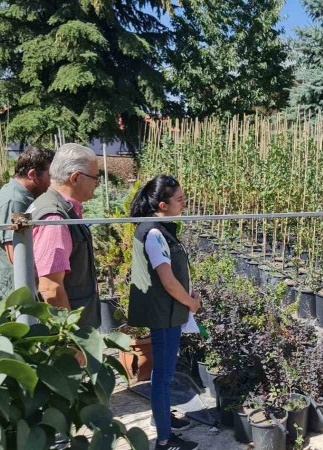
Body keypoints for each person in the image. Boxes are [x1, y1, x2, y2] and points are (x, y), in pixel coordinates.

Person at [128, 175, 201, 450]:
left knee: (162, 373)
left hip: (167, 311)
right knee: (163, 376)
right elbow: (168, 281)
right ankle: (164, 440)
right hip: (165, 314)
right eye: (179, 199)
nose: (184, 203)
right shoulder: (155, 233)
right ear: (162, 204)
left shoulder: (158, 228)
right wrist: (191, 303)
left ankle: (162, 419)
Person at [29, 143, 101, 328]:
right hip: (66, 335)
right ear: (75, 178)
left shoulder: (56, 208)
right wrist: (71, 336)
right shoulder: (55, 218)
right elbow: (50, 288)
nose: (97, 184)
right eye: (95, 178)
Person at [0, 147, 54, 309]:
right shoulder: (15, 201)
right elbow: (17, 255)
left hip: (13, 296)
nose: (52, 181)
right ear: (33, 174)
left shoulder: (18, 194)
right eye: (50, 175)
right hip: (8, 301)